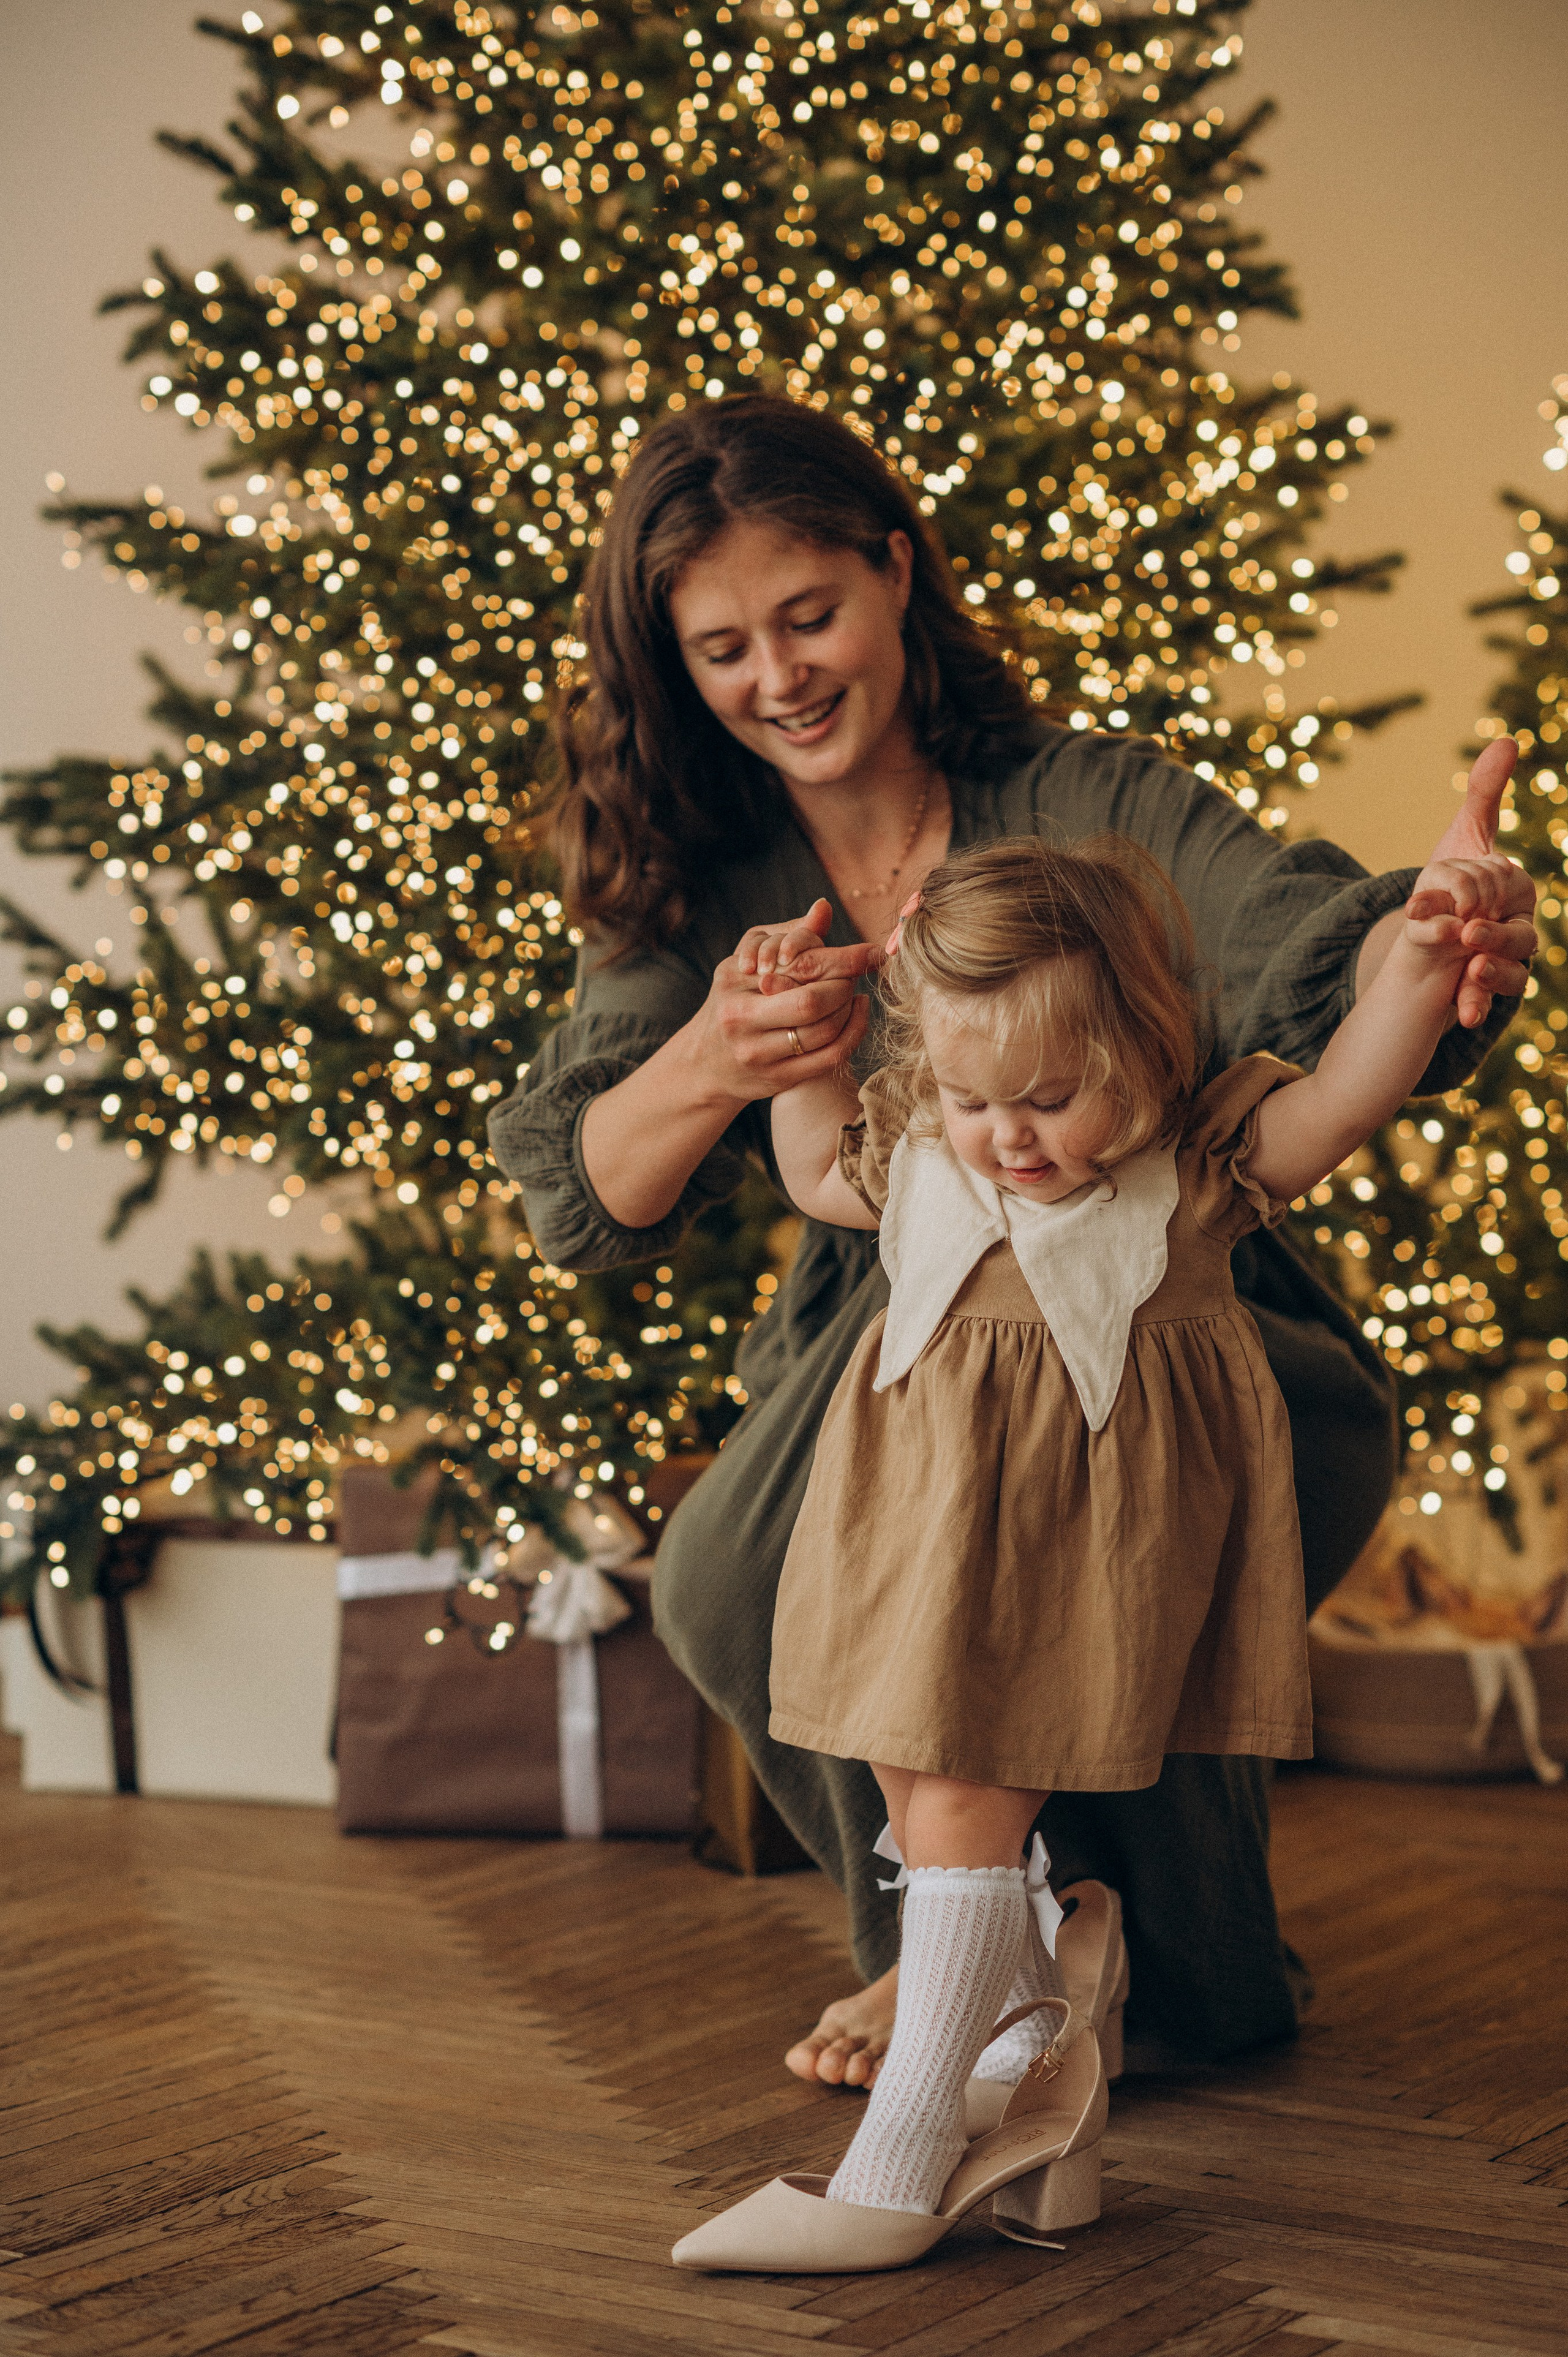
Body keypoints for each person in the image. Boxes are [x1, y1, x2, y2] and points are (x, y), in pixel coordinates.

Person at [488, 393, 1535, 2078]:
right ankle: (969, 1951)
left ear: (896, 573)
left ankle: (1114, 1967)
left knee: (1126, 1560)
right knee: (744, 1572)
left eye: (811, 614)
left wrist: (1426, 939)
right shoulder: (702, 862)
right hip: (901, 1337)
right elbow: (597, 1190)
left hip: (1170, 1303)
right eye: (723, 648)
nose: (781, 677)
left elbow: (1293, 971)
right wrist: (723, 1058)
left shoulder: (1084, 797)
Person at [668, 816, 1529, 2275]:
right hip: (908, 1534)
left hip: (1068, 1551)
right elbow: (818, 1167)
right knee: (907, 1774)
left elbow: (1348, 1094)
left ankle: (904, 2156)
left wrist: (1426, 945)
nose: (1006, 1135)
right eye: (969, 1095)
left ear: (1141, 1044)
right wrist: (802, 1053)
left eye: (1050, 1096)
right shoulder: (924, 1146)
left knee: (956, 1810)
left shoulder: (1195, 1165)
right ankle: (1041, 2046)